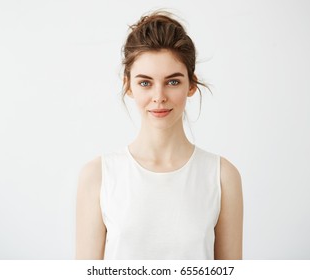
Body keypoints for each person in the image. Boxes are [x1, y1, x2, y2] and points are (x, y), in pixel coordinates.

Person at [76, 11, 243, 260]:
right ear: (128, 86)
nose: (159, 96)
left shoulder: (221, 176)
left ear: (191, 85)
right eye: (145, 82)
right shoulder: (98, 175)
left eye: (173, 82)